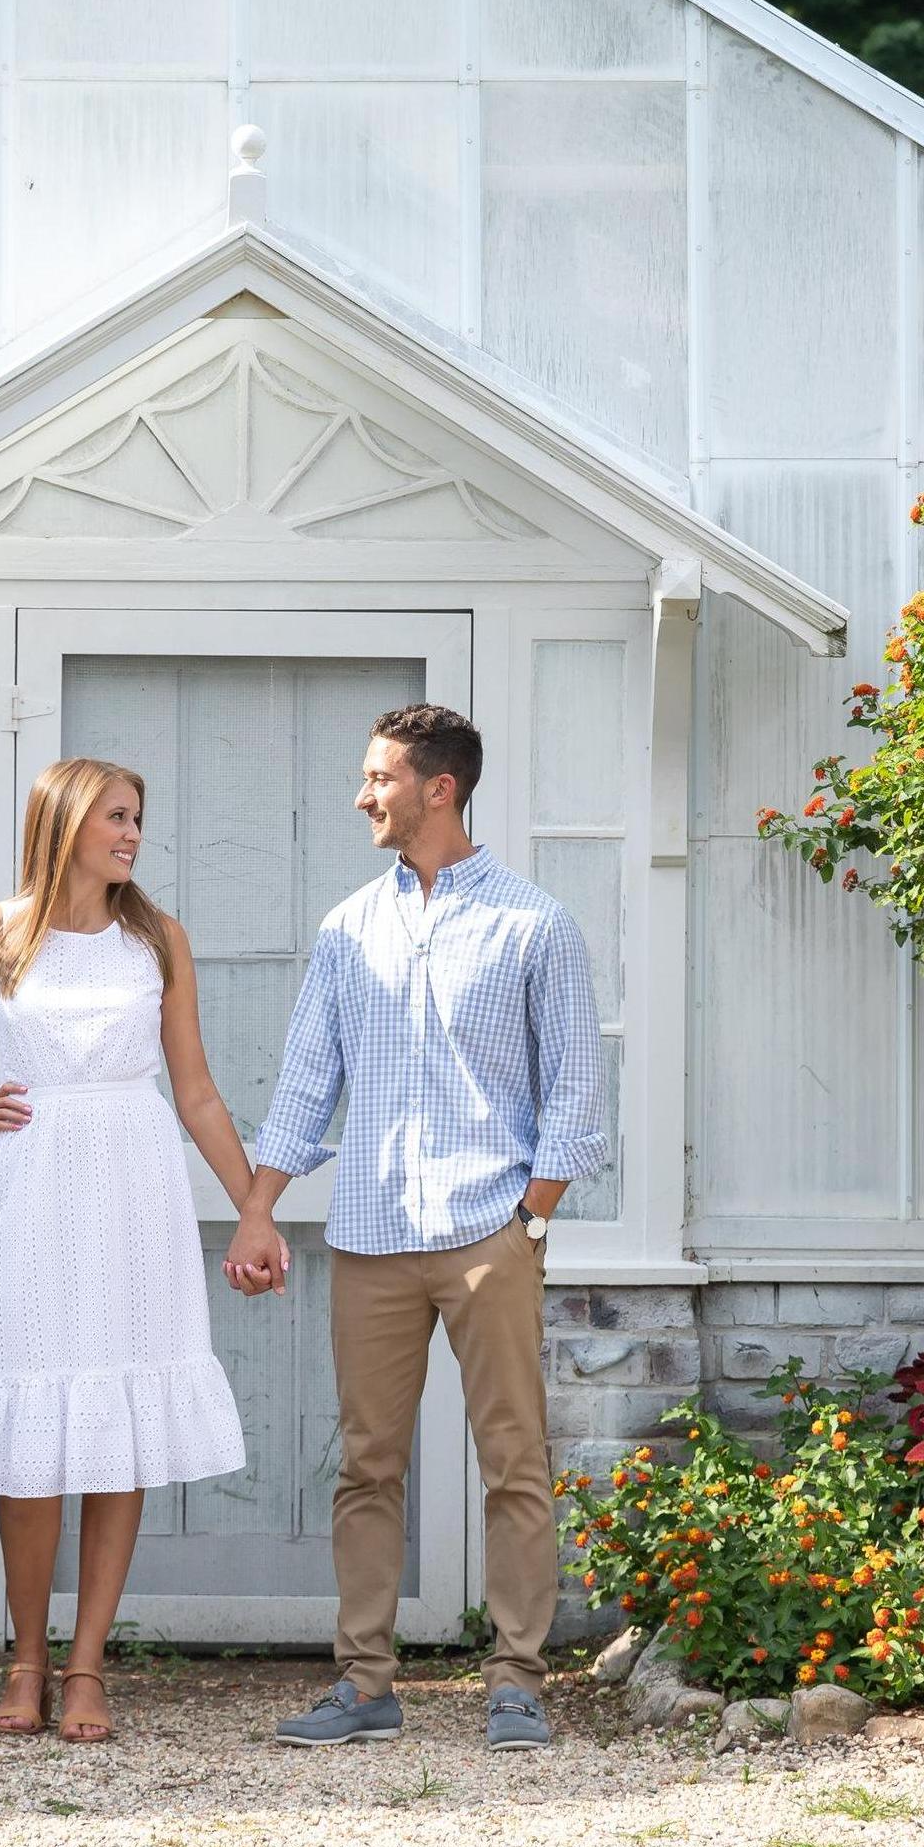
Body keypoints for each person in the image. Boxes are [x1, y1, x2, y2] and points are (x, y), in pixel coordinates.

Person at [221, 703, 607, 1753]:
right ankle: (365, 1685)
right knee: (366, 1465)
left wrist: (533, 1219)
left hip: (492, 1229)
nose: (362, 795)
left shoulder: (535, 924)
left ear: (440, 787)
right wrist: (260, 1203)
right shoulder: (349, 928)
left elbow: (575, 1089)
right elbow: (307, 1080)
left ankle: (517, 1681)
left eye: (379, 777)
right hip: (371, 1234)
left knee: (513, 1463)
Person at [0, 755, 271, 1745]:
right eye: (115, 818)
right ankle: (25, 1660)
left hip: (135, 1193)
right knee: (31, 1433)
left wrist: (255, 1209)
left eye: (139, 817)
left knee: (115, 1423)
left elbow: (197, 1094)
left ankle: (87, 1667)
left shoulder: (158, 941)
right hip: (32, 1189)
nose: (133, 835)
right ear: (63, 825)